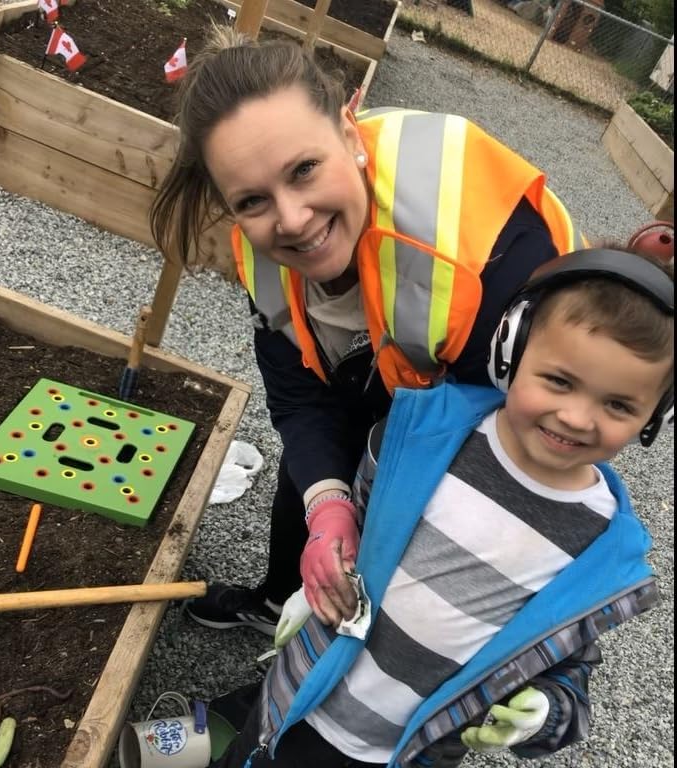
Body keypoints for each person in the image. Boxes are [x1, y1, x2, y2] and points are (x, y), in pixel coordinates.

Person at [150, 24, 589, 634]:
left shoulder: (489, 262)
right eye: (252, 200)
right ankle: (280, 599)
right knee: (313, 475)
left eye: (304, 169)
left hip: (489, 380)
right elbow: (301, 397)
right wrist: (330, 509)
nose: (294, 220)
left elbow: (510, 461)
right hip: (394, 355)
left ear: (350, 135)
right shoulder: (264, 257)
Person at [206, 247, 674, 767]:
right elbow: (356, 526)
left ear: (657, 416)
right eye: (559, 381)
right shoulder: (419, 436)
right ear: (510, 351)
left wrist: (545, 713)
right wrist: (314, 580)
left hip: (403, 754)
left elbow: (570, 664)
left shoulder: (604, 553)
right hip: (298, 690)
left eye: (618, 405)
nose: (578, 417)